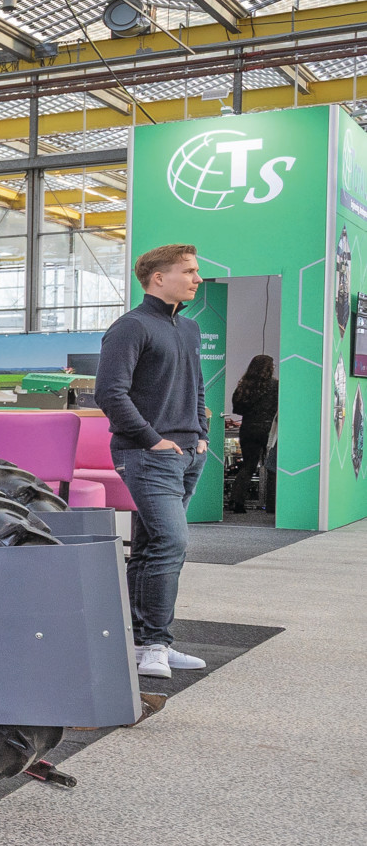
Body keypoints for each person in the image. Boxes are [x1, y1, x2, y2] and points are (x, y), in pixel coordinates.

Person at [93, 243, 210, 680]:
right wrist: (153, 440)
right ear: (158, 277)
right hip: (146, 454)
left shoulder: (190, 329)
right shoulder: (130, 327)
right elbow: (110, 393)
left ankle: (141, 640)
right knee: (170, 544)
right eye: (189, 271)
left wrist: (201, 435)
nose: (198, 279)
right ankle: (156, 642)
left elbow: (198, 387)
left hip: (187, 454)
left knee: (150, 548)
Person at [227, 354, 277, 514]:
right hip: (269, 431)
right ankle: (271, 504)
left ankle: (236, 501)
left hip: (248, 429)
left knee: (248, 467)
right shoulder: (275, 386)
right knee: (271, 467)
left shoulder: (244, 386)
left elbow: (237, 409)